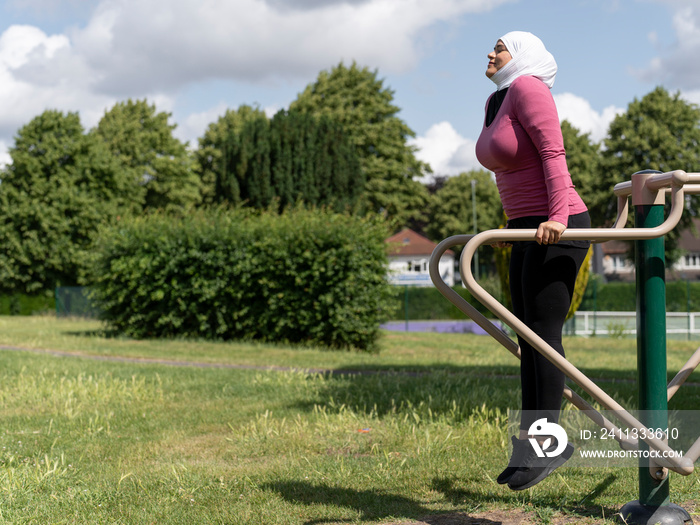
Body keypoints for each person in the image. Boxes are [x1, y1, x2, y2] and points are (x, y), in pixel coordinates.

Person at [474, 31, 591, 491]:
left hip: (558, 226)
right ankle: (530, 444)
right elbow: (512, 170)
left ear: (521, 55)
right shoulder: (495, 100)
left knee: (542, 336)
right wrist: (510, 222)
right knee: (527, 339)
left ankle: (551, 441)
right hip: (526, 227)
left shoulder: (529, 89)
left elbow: (551, 153)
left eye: (499, 47)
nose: (491, 52)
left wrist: (558, 216)